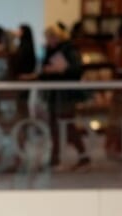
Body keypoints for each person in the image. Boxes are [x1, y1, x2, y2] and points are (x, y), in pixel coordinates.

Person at [21, 24, 89, 171]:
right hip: (54, 94)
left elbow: (76, 69)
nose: (50, 40)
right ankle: (54, 159)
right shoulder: (51, 50)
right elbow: (46, 70)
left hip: (65, 95)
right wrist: (38, 75)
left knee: (67, 125)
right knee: (54, 126)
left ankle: (83, 157)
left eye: (52, 37)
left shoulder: (69, 49)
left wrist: (61, 69)